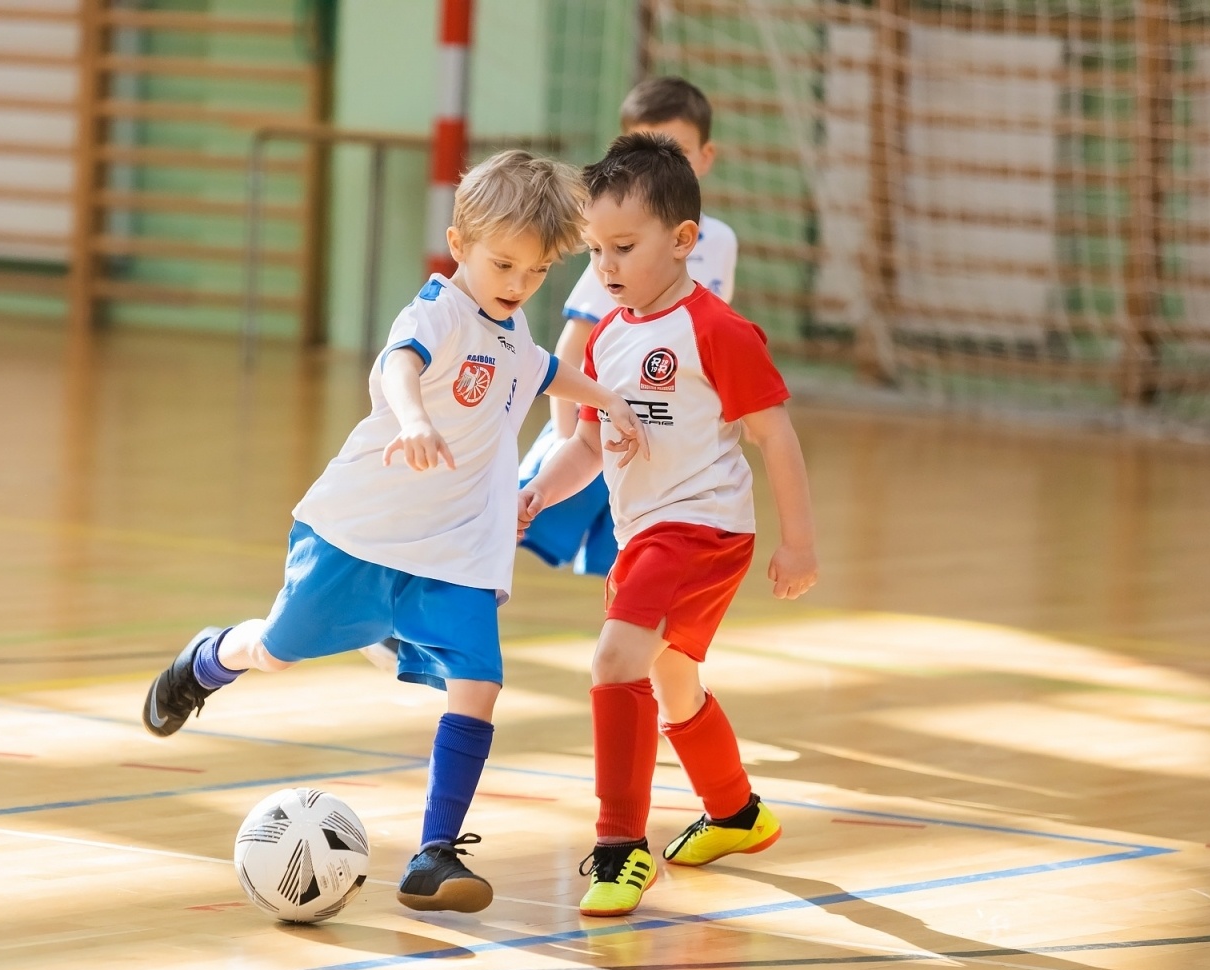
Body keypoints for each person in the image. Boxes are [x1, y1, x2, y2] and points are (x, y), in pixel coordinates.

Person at [142, 150, 648, 915]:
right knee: (277, 649)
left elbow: (544, 368)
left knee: (479, 683)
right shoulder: (436, 311)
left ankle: (435, 853)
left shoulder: (513, 332)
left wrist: (607, 400)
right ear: (459, 242)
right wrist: (412, 420)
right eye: (503, 264)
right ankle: (209, 659)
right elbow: (397, 367)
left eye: (537, 271)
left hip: (456, 553)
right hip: (363, 535)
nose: (518, 284)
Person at [519, 133, 818, 918]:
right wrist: (538, 492)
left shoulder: (718, 330)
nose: (606, 266)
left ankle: (621, 848)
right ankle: (737, 813)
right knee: (671, 680)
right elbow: (587, 445)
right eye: (595, 250)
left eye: (624, 247)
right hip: (646, 534)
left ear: (684, 239)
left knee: (615, 658)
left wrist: (799, 542)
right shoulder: (607, 338)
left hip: (699, 531)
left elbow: (775, 434)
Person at [520, 76, 738, 578]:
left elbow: (712, 337)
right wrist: (566, 436)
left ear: (706, 156)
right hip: (595, 425)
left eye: (676, 151)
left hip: (660, 437)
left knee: (626, 565)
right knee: (511, 522)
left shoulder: (722, 242)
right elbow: (572, 348)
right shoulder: (622, 249)